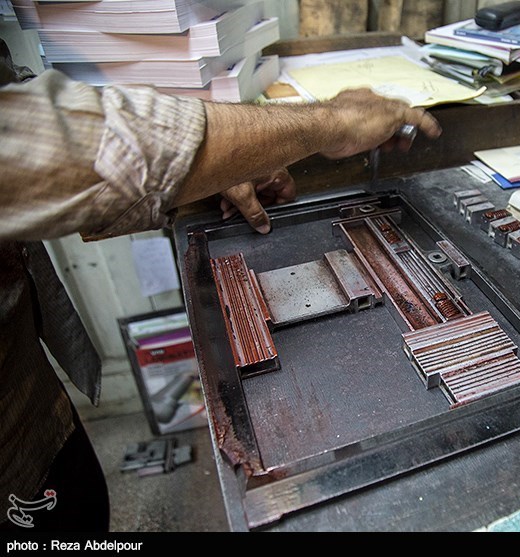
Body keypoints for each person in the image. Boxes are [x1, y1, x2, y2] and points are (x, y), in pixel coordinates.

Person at [0, 38, 442, 531]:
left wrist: (220, 165)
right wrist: (329, 122)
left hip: (23, 382)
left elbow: (29, 102)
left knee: (69, 494)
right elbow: (61, 141)